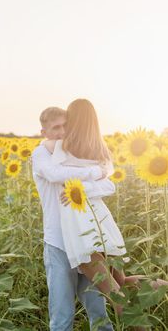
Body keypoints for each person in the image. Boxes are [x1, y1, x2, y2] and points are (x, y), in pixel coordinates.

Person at [42, 99, 168, 323]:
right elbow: (108, 178)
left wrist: (79, 186)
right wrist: (92, 177)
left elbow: (50, 164)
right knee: (122, 283)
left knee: (116, 296)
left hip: (82, 234)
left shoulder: (58, 147)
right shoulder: (99, 150)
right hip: (102, 224)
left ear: (73, 121)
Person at [32, 106, 115, 331]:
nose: (61, 132)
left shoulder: (75, 154)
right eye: (55, 127)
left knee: (99, 315)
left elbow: (110, 183)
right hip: (58, 244)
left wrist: (86, 186)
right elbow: (54, 174)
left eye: (65, 126)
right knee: (62, 318)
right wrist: (95, 173)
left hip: (86, 243)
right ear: (44, 132)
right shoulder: (41, 154)